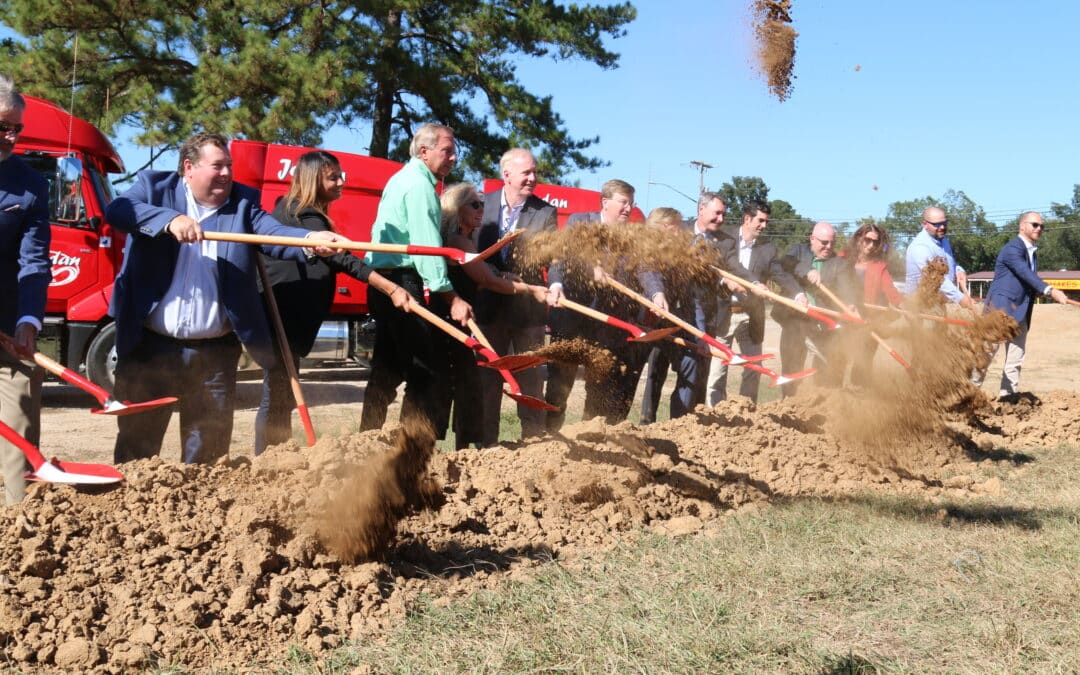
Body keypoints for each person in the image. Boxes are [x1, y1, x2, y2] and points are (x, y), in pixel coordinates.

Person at [106, 132, 348, 465]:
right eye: (217, 165)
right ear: (189, 168)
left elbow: (272, 233)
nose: (226, 174)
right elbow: (119, 210)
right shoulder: (154, 188)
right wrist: (169, 220)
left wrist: (308, 237)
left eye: (229, 166)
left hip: (214, 357)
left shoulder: (243, 203)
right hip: (151, 348)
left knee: (207, 458)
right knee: (137, 450)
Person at [254, 151, 408, 455]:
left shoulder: (290, 210)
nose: (341, 182)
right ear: (313, 180)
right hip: (283, 315)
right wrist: (390, 288)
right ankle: (269, 457)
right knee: (278, 394)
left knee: (280, 392)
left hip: (287, 314)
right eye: (333, 177)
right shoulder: (304, 217)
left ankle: (276, 454)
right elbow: (345, 260)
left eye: (342, 176)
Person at [359, 123, 473, 437]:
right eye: (446, 151)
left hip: (382, 282)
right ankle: (410, 449)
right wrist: (453, 298)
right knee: (425, 371)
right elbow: (425, 248)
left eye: (454, 152)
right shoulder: (420, 186)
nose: (453, 158)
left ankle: (365, 440)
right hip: (401, 284)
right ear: (424, 151)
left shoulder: (400, 179)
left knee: (386, 368)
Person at [545, 179, 666, 427]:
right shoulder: (581, 221)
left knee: (600, 384)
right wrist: (592, 267)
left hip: (607, 324)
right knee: (561, 383)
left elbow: (645, 268)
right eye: (623, 202)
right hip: (573, 318)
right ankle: (551, 436)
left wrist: (656, 294)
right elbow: (570, 251)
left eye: (631, 203)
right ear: (605, 202)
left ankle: (591, 436)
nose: (628, 208)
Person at [440, 182, 548, 448]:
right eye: (474, 205)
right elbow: (489, 281)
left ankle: (470, 446)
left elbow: (484, 267)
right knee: (468, 386)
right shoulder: (456, 240)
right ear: (457, 209)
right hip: (454, 320)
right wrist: (532, 288)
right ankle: (466, 449)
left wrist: (500, 273)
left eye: (482, 204)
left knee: (470, 385)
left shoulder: (466, 240)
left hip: (466, 319)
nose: (481, 210)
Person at [475, 148, 557, 444]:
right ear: (506, 174)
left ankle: (533, 443)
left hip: (527, 313)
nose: (533, 178)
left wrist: (556, 285)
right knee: (487, 381)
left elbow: (555, 257)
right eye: (526, 173)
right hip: (487, 309)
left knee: (531, 379)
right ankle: (486, 446)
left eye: (535, 172)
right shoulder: (481, 205)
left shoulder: (545, 212)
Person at [0, 74, 50, 504]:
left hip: (6, 322)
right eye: (3, 126)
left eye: (16, 127)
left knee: (19, 414)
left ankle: (22, 529)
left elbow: (33, 261)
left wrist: (28, 319)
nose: (11, 136)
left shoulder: (31, 184)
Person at [710, 200, 805, 403]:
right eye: (760, 221)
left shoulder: (767, 249)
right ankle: (714, 415)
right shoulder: (724, 238)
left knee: (753, 369)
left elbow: (780, 274)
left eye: (766, 221)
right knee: (717, 370)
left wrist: (798, 293)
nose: (764, 225)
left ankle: (748, 409)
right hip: (723, 313)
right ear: (747, 219)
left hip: (751, 316)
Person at [972, 211, 1069, 398]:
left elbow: (1024, 281)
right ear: (1022, 226)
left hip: (1021, 313)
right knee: (985, 355)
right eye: (1035, 224)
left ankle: (1008, 399)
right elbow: (1024, 272)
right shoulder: (1013, 249)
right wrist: (1051, 290)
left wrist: (1037, 290)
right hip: (1000, 311)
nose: (1039, 228)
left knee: (1015, 360)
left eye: (1042, 226)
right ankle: (966, 396)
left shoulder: (1031, 252)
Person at [640, 205, 711, 424]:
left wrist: (700, 335)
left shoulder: (680, 256)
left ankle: (679, 423)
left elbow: (692, 298)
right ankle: (646, 423)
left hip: (677, 321)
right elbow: (649, 273)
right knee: (655, 373)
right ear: (662, 227)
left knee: (690, 363)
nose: (679, 233)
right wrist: (657, 294)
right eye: (675, 228)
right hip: (650, 322)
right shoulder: (643, 249)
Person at [822, 222, 904, 386]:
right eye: (867, 240)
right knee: (836, 364)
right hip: (842, 321)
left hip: (866, 326)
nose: (871, 245)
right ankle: (833, 400)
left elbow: (893, 295)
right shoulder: (841, 260)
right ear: (859, 239)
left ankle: (860, 404)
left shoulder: (879, 267)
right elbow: (828, 285)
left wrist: (902, 306)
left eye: (876, 242)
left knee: (862, 367)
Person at [773, 221, 836, 397]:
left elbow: (846, 285)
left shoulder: (837, 262)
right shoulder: (799, 251)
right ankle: (788, 406)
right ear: (812, 239)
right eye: (824, 242)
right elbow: (786, 261)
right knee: (791, 368)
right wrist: (807, 270)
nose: (828, 247)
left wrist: (852, 303)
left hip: (821, 325)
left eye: (832, 242)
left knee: (826, 365)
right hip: (794, 322)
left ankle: (820, 406)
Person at [904, 206, 973, 308]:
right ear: (925, 224)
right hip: (919, 307)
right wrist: (960, 298)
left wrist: (958, 270)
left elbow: (950, 263)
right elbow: (935, 277)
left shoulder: (944, 240)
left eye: (944, 223)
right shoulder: (920, 247)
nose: (942, 227)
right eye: (937, 224)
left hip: (938, 303)